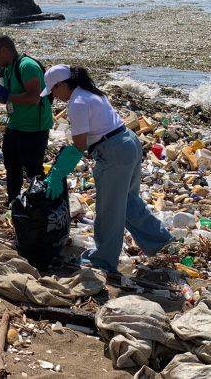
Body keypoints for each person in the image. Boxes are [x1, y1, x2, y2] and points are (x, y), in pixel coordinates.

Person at [40, 64, 173, 273]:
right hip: (128, 142)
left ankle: (103, 259)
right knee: (127, 201)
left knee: (110, 208)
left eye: (54, 91)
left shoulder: (78, 102)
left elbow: (80, 145)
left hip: (113, 151)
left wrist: (58, 172)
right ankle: (161, 240)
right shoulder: (91, 93)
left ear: (63, 85)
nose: (55, 97)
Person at [0, 35, 53, 202]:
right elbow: (10, 97)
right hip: (14, 125)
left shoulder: (27, 66)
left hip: (34, 128)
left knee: (34, 170)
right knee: (11, 166)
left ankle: (41, 204)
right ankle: (13, 201)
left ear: (4, 50)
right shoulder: (8, 68)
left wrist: (7, 95)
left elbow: (34, 97)